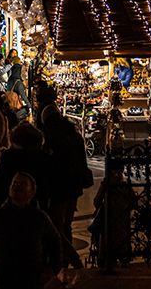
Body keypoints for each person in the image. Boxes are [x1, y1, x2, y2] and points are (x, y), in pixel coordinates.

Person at [0, 172, 63, 289]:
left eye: (23, 184)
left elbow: (55, 242)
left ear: (32, 192)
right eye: (14, 183)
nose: (17, 186)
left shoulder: (39, 217)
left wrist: (52, 269)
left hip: (32, 279)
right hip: (4, 278)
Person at [40, 106, 91, 268]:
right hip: (74, 186)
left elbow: (49, 164)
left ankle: (68, 257)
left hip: (58, 186)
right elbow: (82, 161)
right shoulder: (75, 136)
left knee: (56, 225)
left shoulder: (51, 138)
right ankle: (64, 257)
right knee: (66, 223)